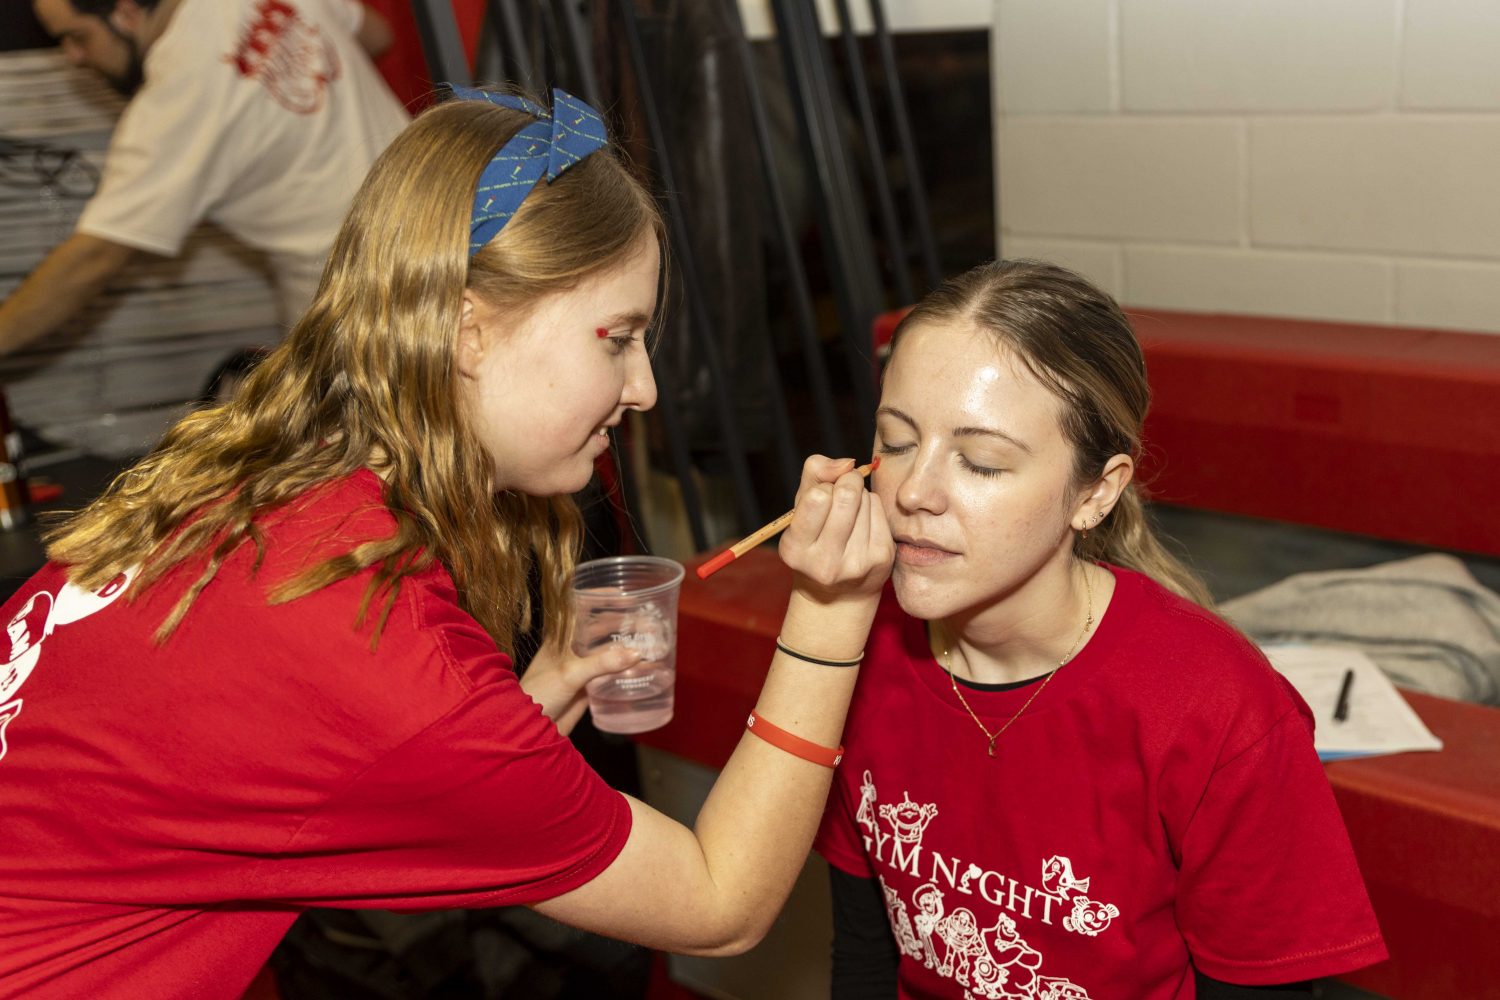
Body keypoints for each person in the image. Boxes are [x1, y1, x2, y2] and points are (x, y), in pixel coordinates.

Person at [0, 87, 895, 998]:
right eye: (618, 338)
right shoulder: (379, 647)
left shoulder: (263, 482)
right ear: (470, 331)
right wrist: (829, 611)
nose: (646, 387)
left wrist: (537, 694)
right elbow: (719, 902)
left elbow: (366, 773)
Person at [815, 260, 1388, 999]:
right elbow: (863, 955)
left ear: (1096, 492)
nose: (913, 492)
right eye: (895, 443)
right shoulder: (852, 653)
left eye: (981, 462)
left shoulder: (1221, 715)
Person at [0, 0, 409, 357]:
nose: (72, 56)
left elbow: (94, 258)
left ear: (125, 12)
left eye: (77, 37)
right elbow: (376, 33)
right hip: (447, 215)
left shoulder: (175, 101)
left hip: (362, 305)